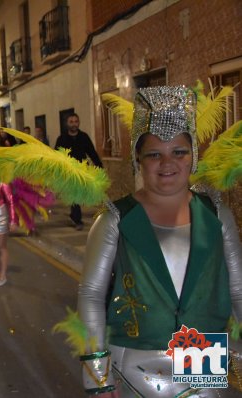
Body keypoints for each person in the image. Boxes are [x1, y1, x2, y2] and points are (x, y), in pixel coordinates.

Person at [77, 86, 242, 397]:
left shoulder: (217, 215)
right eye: (154, 154)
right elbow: (91, 295)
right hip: (135, 357)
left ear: (192, 156)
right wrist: (97, 374)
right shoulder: (115, 219)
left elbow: (238, 289)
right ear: (138, 160)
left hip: (202, 352)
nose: (167, 164)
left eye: (178, 152)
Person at [54, 113, 103, 230]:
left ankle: (74, 215)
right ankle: (78, 220)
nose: (74, 124)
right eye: (71, 122)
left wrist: (99, 166)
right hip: (69, 171)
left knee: (78, 195)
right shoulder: (61, 139)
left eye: (76, 121)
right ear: (67, 124)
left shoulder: (84, 137)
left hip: (82, 170)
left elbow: (92, 152)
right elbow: (56, 156)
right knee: (75, 194)